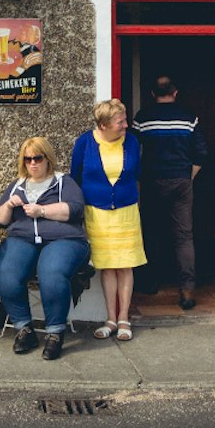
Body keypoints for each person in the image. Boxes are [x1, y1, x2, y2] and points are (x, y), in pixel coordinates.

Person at [0, 137, 89, 361]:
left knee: (51, 271)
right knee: (8, 271)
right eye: (28, 159)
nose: (33, 164)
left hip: (64, 239)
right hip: (23, 239)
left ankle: (55, 333)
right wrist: (8, 204)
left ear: (48, 159)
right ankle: (24, 329)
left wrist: (42, 211)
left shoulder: (63, 181)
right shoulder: (18, 185)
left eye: (38, 158)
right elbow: (0, 220)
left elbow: (74, 210)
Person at [69, 98, 145, 341]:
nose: (125, 125)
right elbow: (75, 178)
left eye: (124, 120)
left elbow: (138, 173)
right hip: (97, 214)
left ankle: (124, 318)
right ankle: (110, 319)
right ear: (103, 125)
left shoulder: (131, 141)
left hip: (126, 212)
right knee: (107, 265)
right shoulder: (85, 142)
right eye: (119, 122)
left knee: (125, 264)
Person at [131, 75, 208, 310]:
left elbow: (131, 152)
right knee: (184, 236)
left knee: (151, 232)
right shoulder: (189, 118)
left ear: (153, 94)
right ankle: (187, 291)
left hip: (153, 180)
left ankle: (151, 283)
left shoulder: (143, 118)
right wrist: (188, 176)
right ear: (175, 92)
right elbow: (202, 153)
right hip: (181, 180)